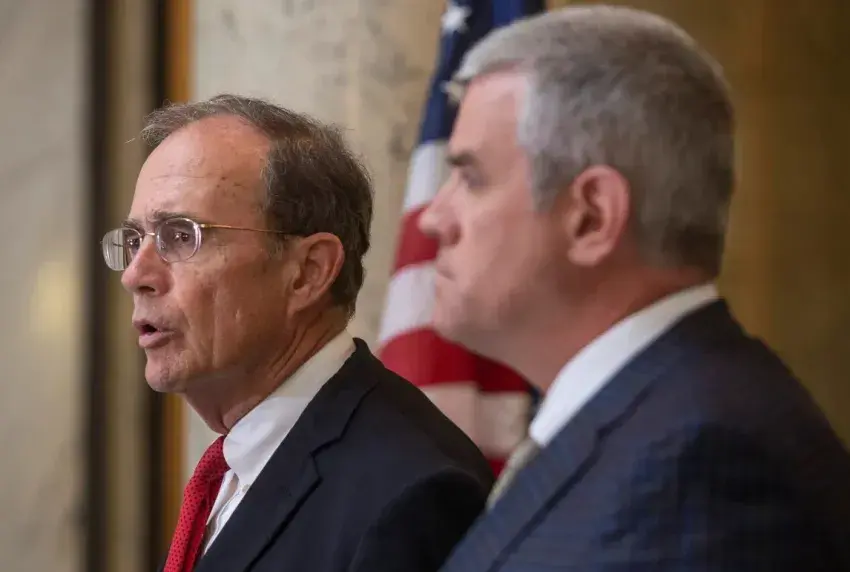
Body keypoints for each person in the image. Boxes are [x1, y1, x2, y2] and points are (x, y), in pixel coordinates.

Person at [418, 6, 850, 571]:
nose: (433, 218)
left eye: (471, 178)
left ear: (592, 218)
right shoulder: (654, 416)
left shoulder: (703, 467)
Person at [102, 94, 494, 572]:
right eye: (135, 240)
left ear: (309, 272)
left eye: (181, 236)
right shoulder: (235, 469)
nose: (135, 275)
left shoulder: (411, 495)